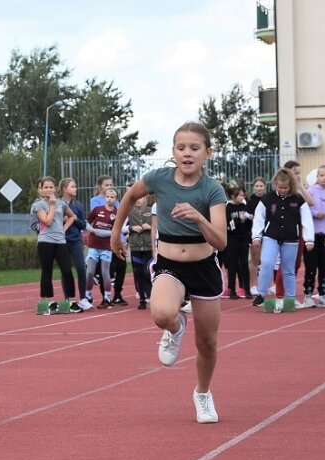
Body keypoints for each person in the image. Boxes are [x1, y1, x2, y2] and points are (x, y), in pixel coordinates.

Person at [111, 121, 227, 424]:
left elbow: (221, 241)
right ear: (173, 151)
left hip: (204, 265)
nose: (186, 153)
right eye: (180, 147)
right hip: (169, 262)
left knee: (208, 343)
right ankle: (175, 328)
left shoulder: (212, 189)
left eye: (194, 148)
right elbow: (129, 197)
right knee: (161, 314)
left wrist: (198, 217)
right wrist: (115, 233)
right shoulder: (158, 179)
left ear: (208, 153)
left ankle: (202, 394)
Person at [251, 168, 315, 308]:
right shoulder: (267, 198)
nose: (283, 190)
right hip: (271, 236)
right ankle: (261, 294)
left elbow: (307, 219)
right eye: (280, 187)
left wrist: (309, 239)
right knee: (267, 263)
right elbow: (259, 218)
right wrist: (256, 236)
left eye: (286, 187)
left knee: (288, 269)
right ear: (275, 184)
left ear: (290, 185)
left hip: (291, 239)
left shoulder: (298, 199)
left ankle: (290, 298)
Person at [32, 176, 80, 314]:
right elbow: (47, 221)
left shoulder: (62, 204)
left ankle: (71, 301)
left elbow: (72, 217)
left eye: (51, 187)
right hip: (45, 241)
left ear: (55, 188)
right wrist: (52, 206)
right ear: (41, 189)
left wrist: (63, 229)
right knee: (47, 271)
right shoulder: (39, 205)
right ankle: (48, 301)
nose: (48, 190)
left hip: (60, 241)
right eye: (45, 187)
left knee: (67, 270)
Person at [301, 165, 325, 308]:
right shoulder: (310, 191)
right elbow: (305, 209)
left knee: (324, 267)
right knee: (311, 266)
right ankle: (308, 295)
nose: (324, 178)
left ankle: (323, 294)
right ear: (317, 177)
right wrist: (315, 214)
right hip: (312, 235)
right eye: (322, 175)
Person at [59, 178, 92, 310]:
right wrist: (63, 219)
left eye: (75, 186)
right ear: (64, 188)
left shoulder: (78, 205)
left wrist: (74, 219)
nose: (75, 189)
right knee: (65, 270)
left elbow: (84, 224)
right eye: (72, 186)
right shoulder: (57, 204)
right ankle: (67, 299)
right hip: (61, 241)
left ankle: (83, 298)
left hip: (75, 241)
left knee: (81, 268)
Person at [86, 187, 120, 309]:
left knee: (105, 273)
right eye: (107, 196)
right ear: (104, 197)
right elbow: (87, 222)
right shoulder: (97, 209)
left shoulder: (116, 213)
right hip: (94, 245)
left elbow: (116, 230)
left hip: (106, 247)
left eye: (112, 197)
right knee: (90, 272)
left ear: (116, 199)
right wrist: (91, 230)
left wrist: (103, 232)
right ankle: (88, 296)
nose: (109, 199)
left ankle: (107, 298)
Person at [126, 194, 154, 309]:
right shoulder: (129, 212)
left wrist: (151, 226)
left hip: (149, 247)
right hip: (136, 247)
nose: (138, 200)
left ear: (146, 198)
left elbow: (160, 225)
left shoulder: (152, 210)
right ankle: (142, 299)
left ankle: (154, 296)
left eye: (140, 198)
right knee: (139, 273)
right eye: (136, 198)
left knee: (150, 272)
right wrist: (132, 228)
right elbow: (120, 226)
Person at [224, 186, 252, 299]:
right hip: (232, 238)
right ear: (233, 197)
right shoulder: (228, 208)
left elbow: (249, 225)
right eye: (240, 195)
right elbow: (228, 224)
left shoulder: (245, 206)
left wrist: (249, 219)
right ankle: (232, 290)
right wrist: (238, 220)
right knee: (233, 265)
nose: (242, 197)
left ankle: (247, 289)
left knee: (245, 263)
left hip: (244, 238)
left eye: (242, 195)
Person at [246, 177, 267, 296]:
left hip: (268, 233)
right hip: (254, 234)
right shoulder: (250, 201)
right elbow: (248, 216)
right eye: (257, 186)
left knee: (267, 261)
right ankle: (253, 285)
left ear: (265, 187)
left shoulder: (268, 199)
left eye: (261, 186)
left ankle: (269, 285)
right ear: (254, 187)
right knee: (255, 260)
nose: (259, 188)